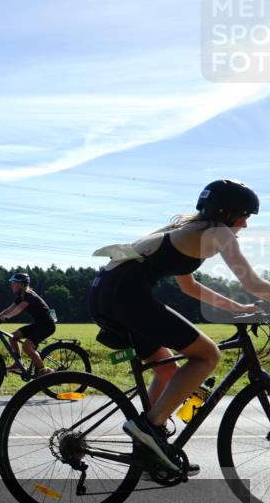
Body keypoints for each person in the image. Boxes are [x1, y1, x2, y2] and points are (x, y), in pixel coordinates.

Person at [89, 179, 269, 474]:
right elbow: (253, 283)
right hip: (126, 294)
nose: (246, 225)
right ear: (228, 213)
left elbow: (190, 287)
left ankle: (150, 451)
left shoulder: (188, 231)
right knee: (208, 355)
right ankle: (150, 426)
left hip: (108, 292)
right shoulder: (219, 232)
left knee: (165, 368)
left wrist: (238, 308)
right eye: (245, 216)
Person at [0, 272, 57, 376]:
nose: (12, 285)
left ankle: (43, 370)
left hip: (47, 325)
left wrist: (6, 317)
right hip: (38, 324)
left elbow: (20, 308)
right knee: (13, 337)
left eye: (14, 283)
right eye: (12, 283)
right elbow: (9, 309)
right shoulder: (21, 296)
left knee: (27, 346)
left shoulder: (29, 294)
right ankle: (18, 364)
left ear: (22, 284)